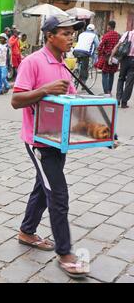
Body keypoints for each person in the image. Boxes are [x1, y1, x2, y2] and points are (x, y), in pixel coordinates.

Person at [11, 14, 90, 279]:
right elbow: (16, 100)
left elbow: (70, 107)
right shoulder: (33, 62)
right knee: (58, 193)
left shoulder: (63, 64)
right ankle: (65, 253)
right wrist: (44, 89)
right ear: (49, 35)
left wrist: (99, 131)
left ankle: (26, 231)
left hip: (59, 141)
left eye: (72, 33)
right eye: (66, 33)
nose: (71, 38)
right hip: (39, 142)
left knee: (42, 188)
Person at [110, 27, 134, 108]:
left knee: (121, 78)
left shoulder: (127, 33)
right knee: (129, 82)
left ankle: (118, 99)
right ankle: (124, 102)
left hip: (124, 59)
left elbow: (117, 45)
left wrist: (111, 56)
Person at [94, 21, 120, 95]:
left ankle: (106, 92)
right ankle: (109, 90)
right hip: (115, 58)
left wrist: (100, 53)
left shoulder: (106, 35)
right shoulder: (118, 35)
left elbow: (100, 47)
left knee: (104, 73)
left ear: (109, 26)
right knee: (111, 74)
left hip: (107, 57)